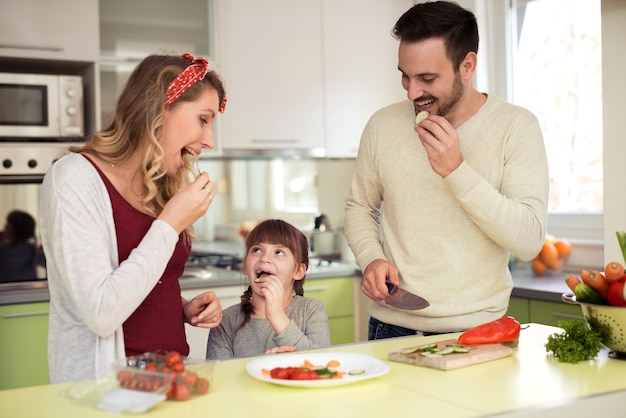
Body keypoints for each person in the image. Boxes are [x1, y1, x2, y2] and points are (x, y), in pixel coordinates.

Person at [344, 1, 549, 340]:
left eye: (427, 78)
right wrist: (372, 259)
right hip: (390, 328)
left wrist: (456, 170)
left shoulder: (516, 127)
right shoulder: (383, 125)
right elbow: (359, 206)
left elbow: (528, 240)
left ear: (467, 66)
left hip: (481, 332)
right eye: (405, 76)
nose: (412, 92)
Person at [40, 53, 228, 383]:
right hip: (105, 389)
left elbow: (142, 280)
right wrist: (170, 224)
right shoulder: (74, 179)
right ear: (160, 108)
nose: (209, 140)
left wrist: (179, 307)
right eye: (203, 119)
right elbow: (101, 311)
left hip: (170, 376)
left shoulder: (161, 183)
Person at [206, 219, 331, 360]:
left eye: (279, 252)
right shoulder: (226, 321)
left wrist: (277, 316)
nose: (264, 258)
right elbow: (219, 377)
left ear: (298, 271)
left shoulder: (311, 310)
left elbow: (321, 362)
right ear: (245, 266)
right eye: (257, 250)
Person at [0, 210, 40, 282]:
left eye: (8, 224)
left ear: (16, 230)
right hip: (29, 290)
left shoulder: (4, 251)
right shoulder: (32, 249)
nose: (5, 226)